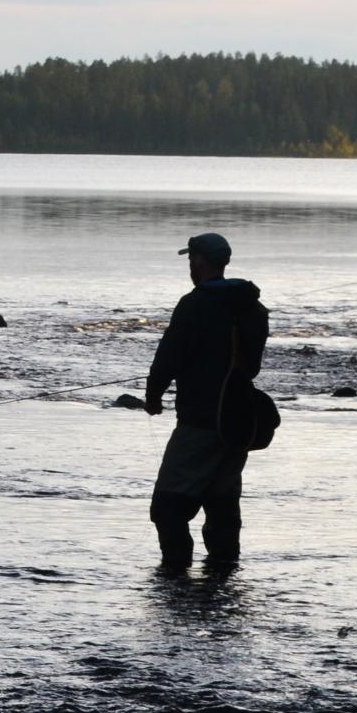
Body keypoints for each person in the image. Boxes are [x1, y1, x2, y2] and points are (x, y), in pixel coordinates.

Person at [144, 233, 269, 571]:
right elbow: (252, 366)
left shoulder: (194, 303)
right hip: (238, 421)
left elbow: (169, 355)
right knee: (222, 503)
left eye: (191, 258)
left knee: (167, 507)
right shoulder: (253, 307)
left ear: (198, 261)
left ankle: (175, 579)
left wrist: (153, 395)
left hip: (199, 420)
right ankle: (223, 579)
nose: (190, 264)